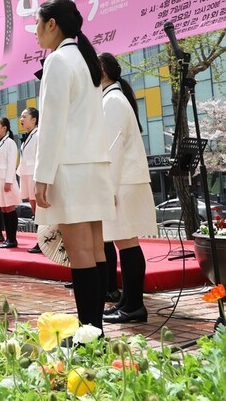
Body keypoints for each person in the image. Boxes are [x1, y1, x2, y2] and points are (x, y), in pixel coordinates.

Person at [33, 0, 115, 331]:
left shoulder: (58, 61)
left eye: (38, 24)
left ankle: (88, 333)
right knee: (94, 251)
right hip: (93, 167)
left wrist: (42, 176)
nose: (35, 32)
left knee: (80, 254)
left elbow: (52, 124)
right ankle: (93, 330)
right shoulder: (87, 60)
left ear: (52, 24)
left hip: (71, 169)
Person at [98, 52, 157, 324]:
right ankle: (128, 301)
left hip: (122, 181)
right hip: (124, 180)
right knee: (127, 244)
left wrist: (107, 189)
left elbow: (112, 149)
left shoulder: (111, 100)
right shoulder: (113, 97)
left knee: (128, 244)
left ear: (101, 71)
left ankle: (134, 306)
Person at [0, 117, 23, 248]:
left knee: (9, 207)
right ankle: (8, 238)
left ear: (4, 128)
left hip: (6, 179)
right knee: (3, 208)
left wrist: (9, 181)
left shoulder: (10, 142)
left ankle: (12, 239)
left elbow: (11, 163)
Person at [17, 108, 42, 254]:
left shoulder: (38, 134)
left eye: (24, 116)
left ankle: (43, 241)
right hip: (27, 174)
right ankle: (40, 240)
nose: (21, 119)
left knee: (39, 210)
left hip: (34, 175)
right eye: (21, 116)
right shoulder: (29, 136)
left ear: (34, 119)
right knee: (34, 209)